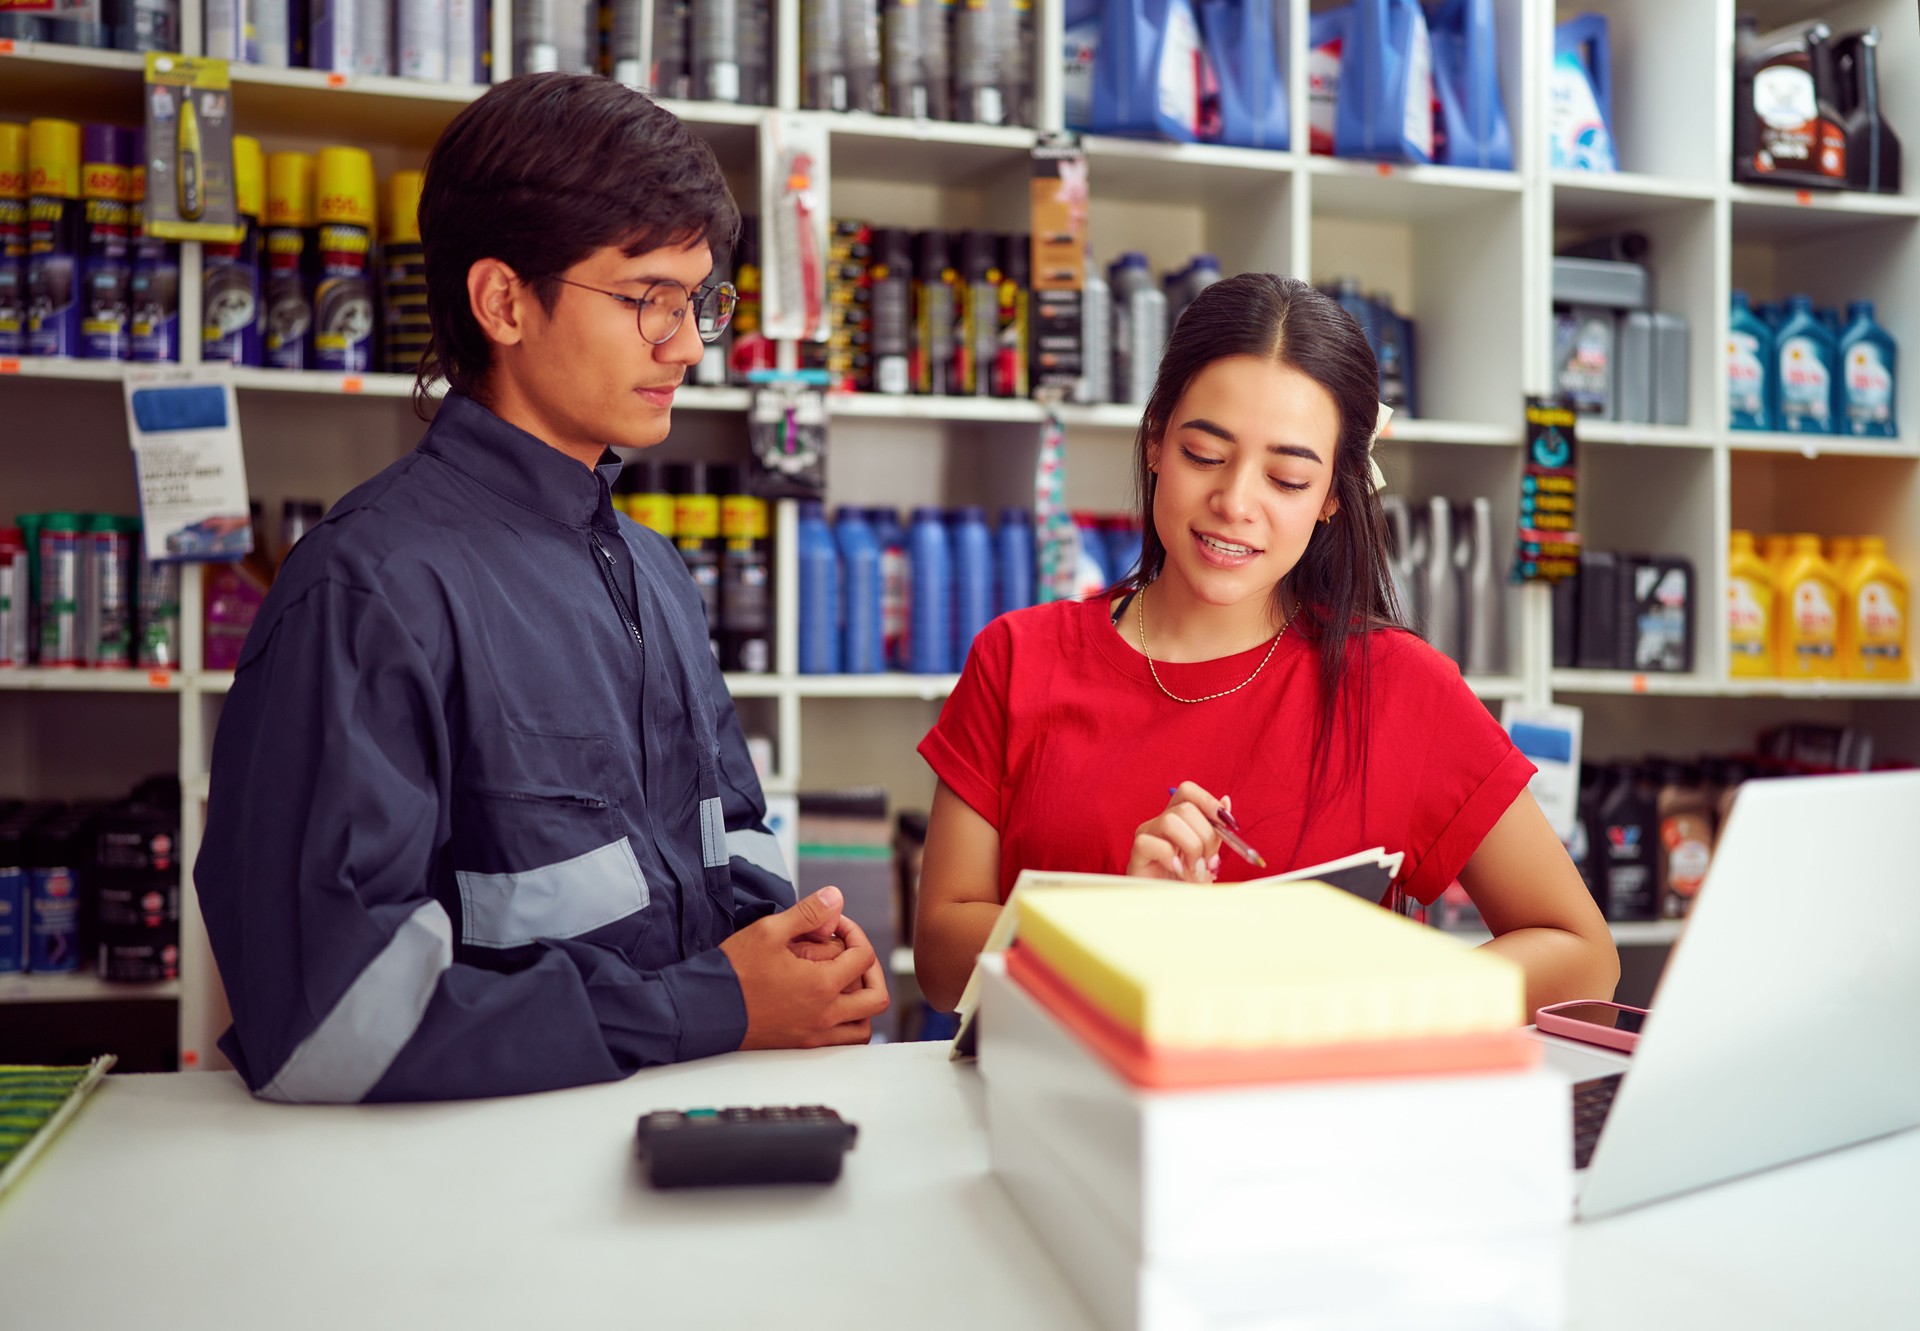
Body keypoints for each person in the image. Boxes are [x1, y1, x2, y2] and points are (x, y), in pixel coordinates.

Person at [196, 75, 887, 1104]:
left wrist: (804, 954)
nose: (690, 342)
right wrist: (716, 1003)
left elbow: (730, 846)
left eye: (699, 299)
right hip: (474, 1202)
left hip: (673, 1128)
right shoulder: (368, 587)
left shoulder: (651, 569)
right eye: (645, 297)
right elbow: (330, 1021)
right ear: (503, 300)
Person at [913, 273, 1618, 1020]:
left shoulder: (1400, 686)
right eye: (1205, 454)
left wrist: (1373, 1009)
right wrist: (1120, 928)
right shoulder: (1020, 658)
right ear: (1156, 442)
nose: (1236, 502)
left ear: (1333, 497)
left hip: (1320, 1126)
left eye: (1286, 478)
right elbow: (939, 954)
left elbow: (1581, 953)